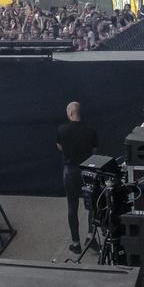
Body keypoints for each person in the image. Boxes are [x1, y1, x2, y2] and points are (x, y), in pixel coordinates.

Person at [55, 101, 99, 249]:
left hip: (70, 171)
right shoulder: (91, 130)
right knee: (92, 205)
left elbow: (60, 147)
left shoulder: (62, 129)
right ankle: (90, 237)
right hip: (87, 171)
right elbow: (94, 151)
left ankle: (76, 242)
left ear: (70, 113)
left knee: (72, 206)